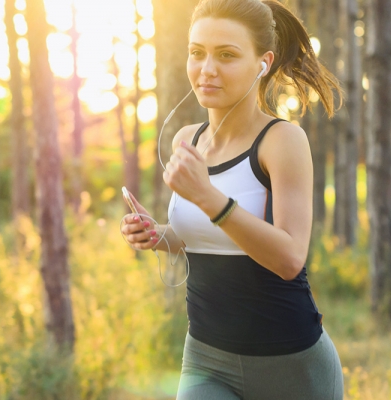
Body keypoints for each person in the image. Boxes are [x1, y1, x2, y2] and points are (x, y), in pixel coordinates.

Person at [121, 0, 344, 398]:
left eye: (226, 55)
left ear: (263, 62)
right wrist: (158, 234)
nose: (207, 69)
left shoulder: (281, 141)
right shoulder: (186, 139)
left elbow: (290, 258)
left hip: (290, 364)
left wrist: (208, 197)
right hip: (207, 358)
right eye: (197, 53)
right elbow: (204, 236)